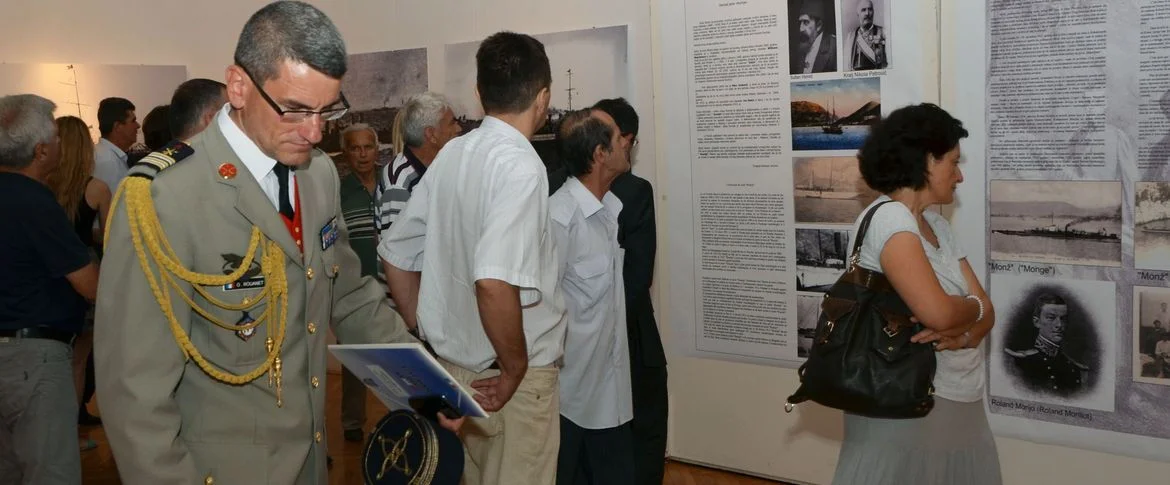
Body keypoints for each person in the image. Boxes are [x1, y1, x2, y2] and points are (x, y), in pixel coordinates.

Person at [94, 3, 459, 484]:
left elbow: (348, 296)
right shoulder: (163, 197)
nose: (314, 131)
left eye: (327, 110)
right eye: (295, 109)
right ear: (239, 86)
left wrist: (428, 387)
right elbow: (135, 395)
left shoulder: (318, 175)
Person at [380, 31, 565, 485]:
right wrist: (514, 368)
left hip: (458, 373)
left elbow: (396, 254)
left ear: (480, 94)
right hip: (512, 381)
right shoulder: (522, 166)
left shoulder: (452, 154)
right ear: (543, 98)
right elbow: (493, 282)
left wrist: (428, 332)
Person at [831, 103, 1001, 484]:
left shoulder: (937, 226)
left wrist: (967, 330)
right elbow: (941, 314)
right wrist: (971, 312)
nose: (959, 176)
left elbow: (986, 313)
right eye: (953, 162)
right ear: (926, 160)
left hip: (955, 395)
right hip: (906, 399)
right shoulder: (891, 219)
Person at [0, 94, 101, 485]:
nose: (62, 145)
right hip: (32, 357)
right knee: (49, 472)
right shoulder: (34, 200)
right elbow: (88, 284)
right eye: (57, 138)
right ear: (41, 150)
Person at [551, 108, 634, 485]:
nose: (627, 143)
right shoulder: (559, 218)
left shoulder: (610, 212)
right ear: (600, 154)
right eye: (619, 138)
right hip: (565, 404)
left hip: (610, 396)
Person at [591, 98, 668, 485]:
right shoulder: (633, 191)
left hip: (611, 339)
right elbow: (637, 279)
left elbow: (637, 277)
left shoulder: (634, 191)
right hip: (618, 341)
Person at [47, 116, 112, 429]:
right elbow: (112, 237)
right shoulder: (97, 189)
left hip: (48, 272)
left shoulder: (42, 186)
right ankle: (71, 432)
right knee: (79, 359)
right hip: (86, 271)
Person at [337, 122, 382, 442]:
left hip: (397, 288)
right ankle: (352, 423)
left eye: (368, 147)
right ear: (346, 154)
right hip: (356, 288)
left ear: (377, 150)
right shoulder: (337, 192)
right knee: (353, 357)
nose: (362, 154)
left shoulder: (392, 183)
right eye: (355, 148)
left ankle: (408, 418)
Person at [376, 91, 461, 239]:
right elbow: (393, 253)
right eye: (452, 123)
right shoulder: (398, 183)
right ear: (431, 134)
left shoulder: (435, 167)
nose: (458, 129)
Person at [1004, 294, 1089, 396]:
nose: (1059, 325)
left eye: (1063, 319)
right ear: (1037, 322)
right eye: (1051, 318)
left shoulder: (1077, 370)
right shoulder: (1018, 362)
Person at [93, 97, 139, 190]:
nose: (138, 125)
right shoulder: (109, 161)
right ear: (117, 126)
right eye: (133, 121)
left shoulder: (104, 154)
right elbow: (115, 203)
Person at [791, 1, 837, 74]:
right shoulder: (800, 47)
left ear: (819, 25)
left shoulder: (834, 47)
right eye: (800, 23)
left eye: (806, 22)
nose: (801, 29)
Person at [845, 0, 887, 70]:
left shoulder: (883, 32)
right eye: (863, 10)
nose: (867, 13)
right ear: (858, 14)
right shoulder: (850, 37)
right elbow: (847, 65)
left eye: (870, 9)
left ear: (873, 12)